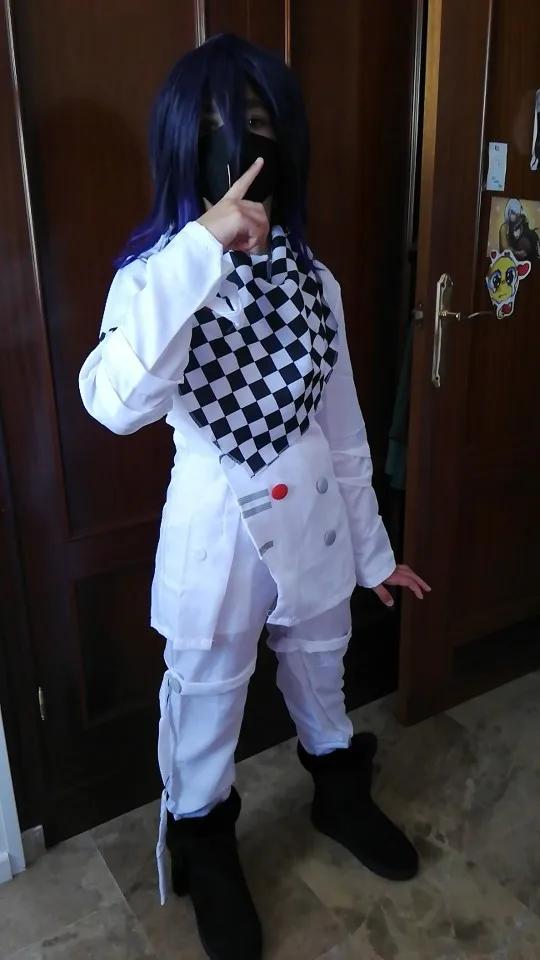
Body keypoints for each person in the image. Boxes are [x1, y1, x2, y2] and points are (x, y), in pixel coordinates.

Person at [79, 34, 430, 960]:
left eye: (260, 130)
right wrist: (200, 248)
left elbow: (344, 433)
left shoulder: (319, 283)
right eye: (217, 133)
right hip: (217, 535)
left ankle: (340, 794)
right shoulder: (155, 278)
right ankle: (207, 850)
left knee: (322, 669)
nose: (241, 154)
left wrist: (375, 554)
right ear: (181, 148)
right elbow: (114, 403)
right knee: (206, 701)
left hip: (315, 521)